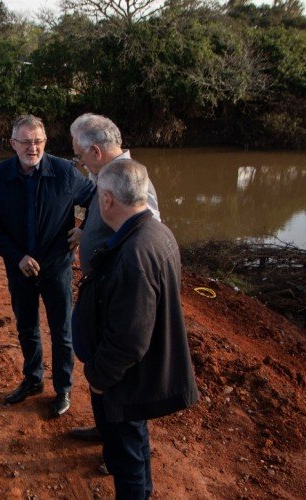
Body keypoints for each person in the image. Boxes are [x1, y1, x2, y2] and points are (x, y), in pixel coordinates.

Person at [73, 159, 198, 499]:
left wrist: (99, 377)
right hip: (135, 377)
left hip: (123, 380)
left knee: (123, 459)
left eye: (99, 195)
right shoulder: (156, 232)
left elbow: (129, 338)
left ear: (109, 199)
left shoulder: (135, 253)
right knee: (135, 442)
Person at [0, 114, 95, 417]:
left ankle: (64, 388)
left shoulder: (65, 173)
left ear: (45, 142)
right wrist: (16, 256)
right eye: (26, 142)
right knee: (27, 327)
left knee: (62, 331)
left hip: (57, 266)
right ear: (13, 144)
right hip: (20, 267)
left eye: (38, 141)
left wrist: (85, 228)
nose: (32, 148)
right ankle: (33, 380)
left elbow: (97, 197)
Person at [68, 112, 162, 442]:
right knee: (104, 369)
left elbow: (144, 231)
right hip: (104, 289)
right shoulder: (105, 173)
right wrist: (86, 232)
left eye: (80, 156)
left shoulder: (133, 182)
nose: (80, 163)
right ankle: (106, 428)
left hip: (120, 295)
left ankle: (120, 444)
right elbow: (109, 218)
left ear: (95, 151)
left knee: (117, 369)